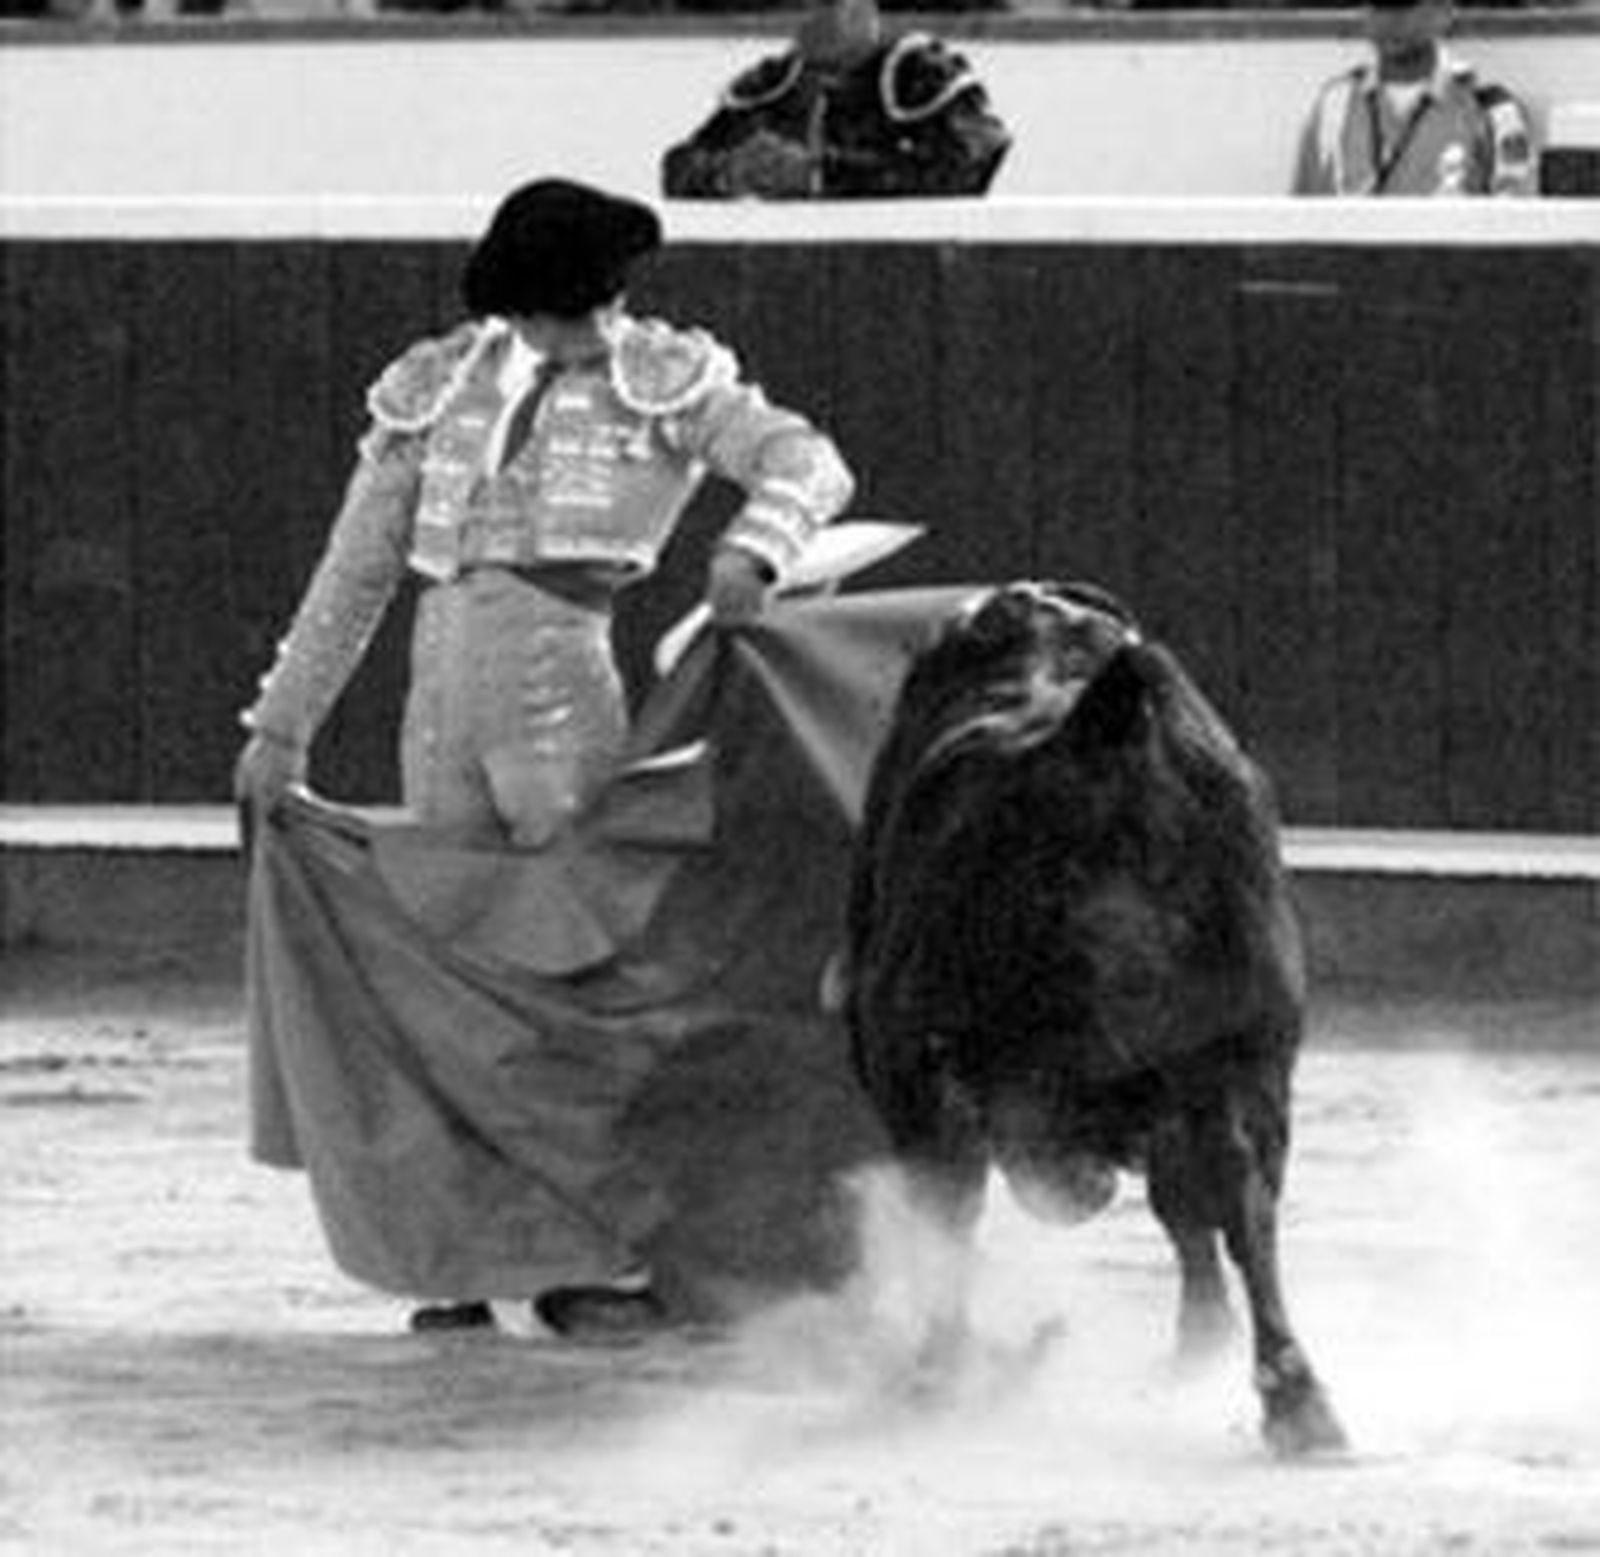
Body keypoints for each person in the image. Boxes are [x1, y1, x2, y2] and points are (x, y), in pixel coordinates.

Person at [234, 177, 855, 1335]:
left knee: (579, 974)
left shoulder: (663, 376)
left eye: (572, 307)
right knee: (452, 965)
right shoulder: (440, 384)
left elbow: (808, 465)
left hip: (560, 682)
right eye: (547, 307)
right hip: (441, 691)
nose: (563, 330)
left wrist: (754, 553)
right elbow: (356, 568)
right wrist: (282, 723)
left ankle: (613, 1253)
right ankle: (477, 1249)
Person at [660, 0, 1011, 200]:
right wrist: (729, 173)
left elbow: (969, 163)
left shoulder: (917, 69)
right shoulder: (775, 80)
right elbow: (678, 168)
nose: (811, 14)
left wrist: (823, 173)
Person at [1292, 0, 1536, 197]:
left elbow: (1517, 230)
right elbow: (1300, 223)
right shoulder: (1334, 105)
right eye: (1379, 6)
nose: (1389, 20)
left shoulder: (1493, 109)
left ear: (1445, 11)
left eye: (1403, 5)